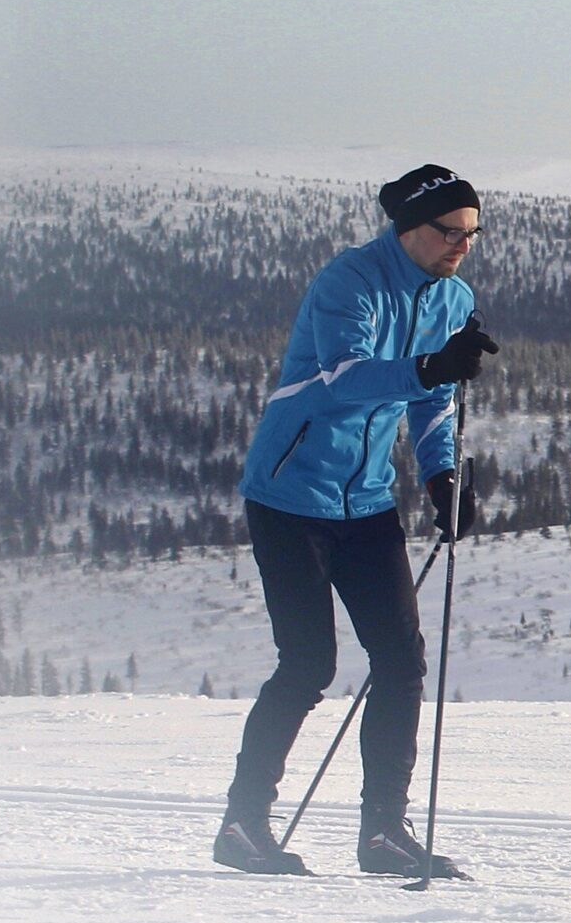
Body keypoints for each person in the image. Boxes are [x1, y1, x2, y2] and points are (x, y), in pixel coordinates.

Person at [212, 164, 501, 879]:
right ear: (409, 228)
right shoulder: (349, 283)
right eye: (450, 231)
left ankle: (384, 834)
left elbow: (430, 401)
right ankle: (243, 825)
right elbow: (345, 377)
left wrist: (441, 476)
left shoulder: (453, 297)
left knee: (402, 661)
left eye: (472, 233)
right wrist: (430, 365)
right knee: (308, 663)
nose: (462, 245)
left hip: (367, 501)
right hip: (289, 496)